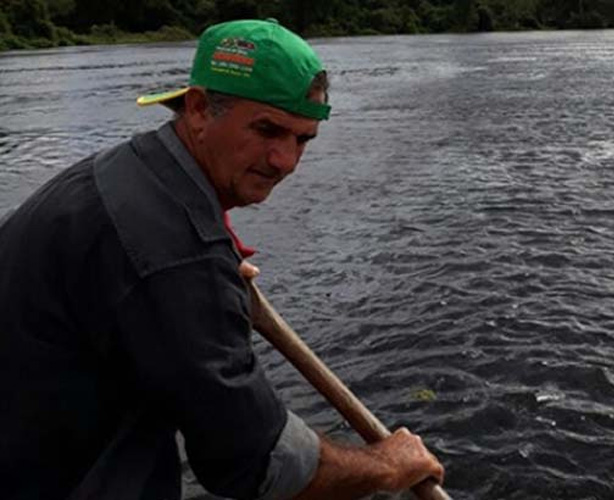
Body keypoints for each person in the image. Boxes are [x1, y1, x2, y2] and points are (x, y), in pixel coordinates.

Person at [0, 18, 444, 500]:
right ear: (197, 109)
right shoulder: (175, 257)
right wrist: (386, 465)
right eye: (268, 129)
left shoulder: (122, 174)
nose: (286, 161)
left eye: (302, 139)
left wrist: (203, 284)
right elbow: (254, 463)